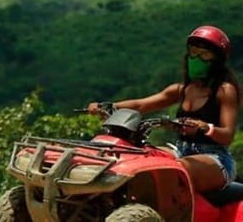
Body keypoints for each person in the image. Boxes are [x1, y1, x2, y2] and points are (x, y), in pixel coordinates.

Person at [88, 25, 239, 193]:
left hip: (214, 158)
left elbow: (227, 136)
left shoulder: (224, 90)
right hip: (181, 150)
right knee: (138, 157)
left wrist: (204, 128)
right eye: (193, 52)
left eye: (204, 54)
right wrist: (108, 106)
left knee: (176, 170)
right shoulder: (181, 89)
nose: (196, 58)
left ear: (217, 60)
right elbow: (142, 105)